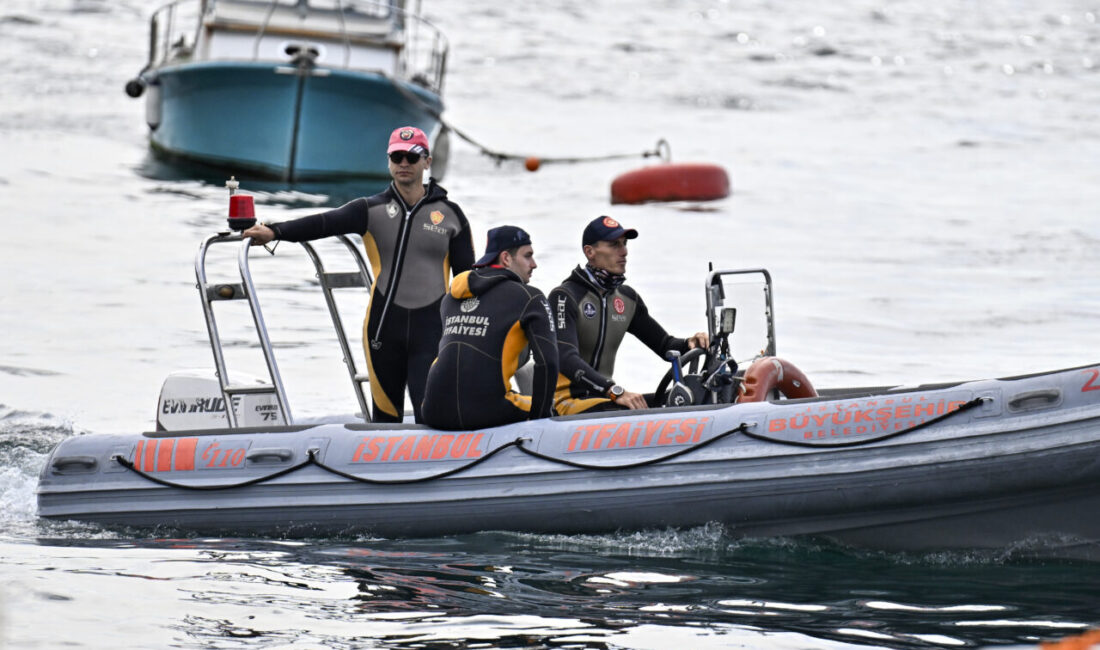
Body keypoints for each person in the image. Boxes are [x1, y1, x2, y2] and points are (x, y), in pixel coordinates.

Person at [242, 126, 474, 423]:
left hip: (432, 331)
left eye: (412, 157)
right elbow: (323, 222)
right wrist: (275, 231)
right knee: (384, 417)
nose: (404, 163)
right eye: (397, 156)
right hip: (382, 330)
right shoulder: (370, 209)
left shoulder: (451, 215)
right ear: (389, 162)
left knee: (429, 413)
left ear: (427, 162)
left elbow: (467, 281)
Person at [549, 216, 708, 414]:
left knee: (686, 399)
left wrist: (691, 343)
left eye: (624, 244)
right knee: (639, 408)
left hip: (605, 399)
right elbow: (565, 357)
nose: (624, 251)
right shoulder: (564, 297)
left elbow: (665, 346)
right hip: (565, 404)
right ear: (590, 252)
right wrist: (614, 390)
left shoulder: (627, 299)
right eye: (614, 245)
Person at [421, 226, 559, 430]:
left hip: (433, 412)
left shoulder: (450, 298)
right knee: (557, 408)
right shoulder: (530, 297)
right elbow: (548, 362)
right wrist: (541, 419)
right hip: (487, 412)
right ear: (506, 258)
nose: (534, 264)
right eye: (527, 256)